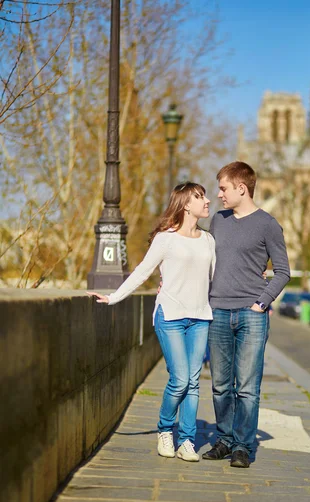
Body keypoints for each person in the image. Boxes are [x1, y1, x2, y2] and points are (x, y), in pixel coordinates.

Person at [87, 182, 215, 463]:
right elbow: (142, 271)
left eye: (205, 196)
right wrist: (113, 297)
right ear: (185, 204)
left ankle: (187, 441)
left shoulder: (208, 240)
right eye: (200, 197)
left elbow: (213, 281)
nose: (207, 201)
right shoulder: (165, 239)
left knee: (193, 383)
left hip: (200, 318)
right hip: (169, 316)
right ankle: (165, 430)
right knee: (180, 380)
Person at [202, 161, 290, 468]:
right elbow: (207, 263)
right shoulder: (218, 220)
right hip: (218, 312)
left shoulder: (268, 224)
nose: (219, 194)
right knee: (220, 385)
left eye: (224, 188)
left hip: (251, 314)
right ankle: (224, 439)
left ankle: (242, 445)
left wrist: (261, 303)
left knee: (248, 387)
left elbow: (283, 272)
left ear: (242, 188)